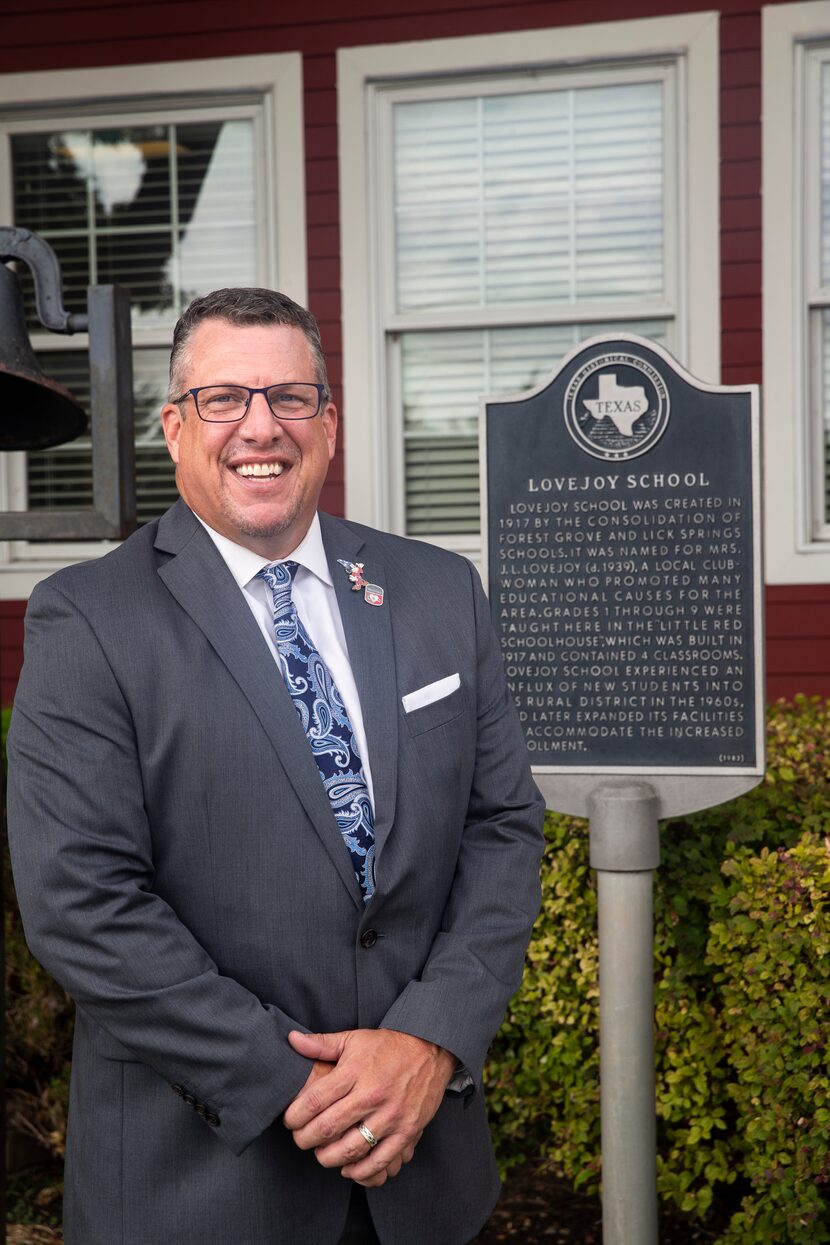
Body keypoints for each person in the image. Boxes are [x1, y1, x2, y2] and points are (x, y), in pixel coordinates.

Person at [7, 287, 546, 1245]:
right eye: (224, 399)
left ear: (328, 423)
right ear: (174, 428)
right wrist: (307, 1089)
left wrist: (430, 1040)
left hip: (423, 1179)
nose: (262, 426)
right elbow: (82, 901)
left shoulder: (437, 590)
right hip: (204, 1187)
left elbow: (500, 827)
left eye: (291, 397)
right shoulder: (88, 620)